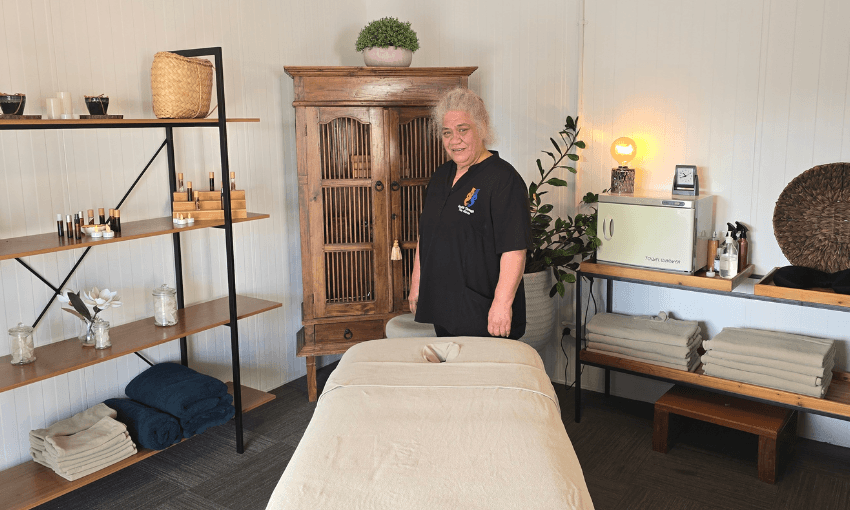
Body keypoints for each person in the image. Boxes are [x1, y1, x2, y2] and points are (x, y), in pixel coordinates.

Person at [408, 88, 532, 339]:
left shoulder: (504, 180)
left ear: (482, 128)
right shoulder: (440, 176)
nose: (455, 140)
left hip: (482, 310)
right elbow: (426, 235)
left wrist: (501, 305)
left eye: (463, 130)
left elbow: (514, 249)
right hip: (443, 307)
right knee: (452, 374)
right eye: (447, 133)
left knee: (483, 376)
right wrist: (416, 283)